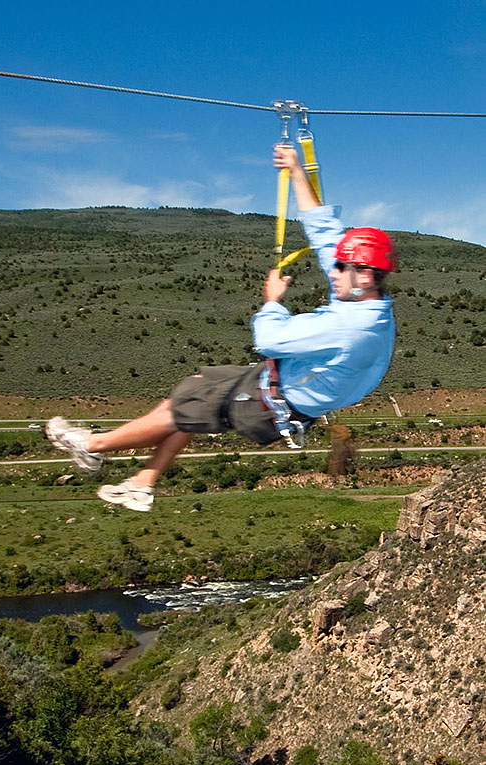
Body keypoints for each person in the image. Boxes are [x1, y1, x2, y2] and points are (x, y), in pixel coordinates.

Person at [46, 145, 396, 512]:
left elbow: (270, 339)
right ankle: (142, 484)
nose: (334, 272)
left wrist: (273, 300)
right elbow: (325, 233)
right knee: (191, 394)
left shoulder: (350, 327)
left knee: (180, 412)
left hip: (269, 404)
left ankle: (90, 446)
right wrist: (295, 170)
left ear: (365, 274)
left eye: (341, 267)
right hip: (274, 387)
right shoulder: (365, 300)